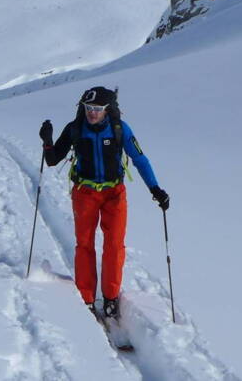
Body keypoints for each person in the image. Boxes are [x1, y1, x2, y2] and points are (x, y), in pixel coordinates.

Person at [39, 86, 168, 320]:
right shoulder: (75, 129)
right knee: (85, 244)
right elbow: (52, 159)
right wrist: (47, 140)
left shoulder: (120, 129)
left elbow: (139, 159)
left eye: (97, 109)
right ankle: (86, 298)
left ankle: (110, 297)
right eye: (89, 108)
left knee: (114, 245)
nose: (92, 113)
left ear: (107, 109)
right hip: (85, 193)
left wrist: (155, 189)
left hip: (114, 193)